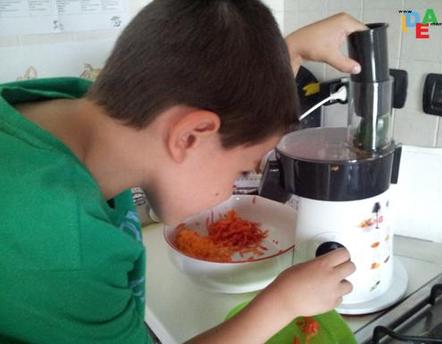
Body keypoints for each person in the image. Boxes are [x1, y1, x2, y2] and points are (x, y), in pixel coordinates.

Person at [0, 1, 365, 343]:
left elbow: (192, 91)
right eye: (241, 169)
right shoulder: (65, 250)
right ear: (190, 136)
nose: (232, 192)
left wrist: (289, 52)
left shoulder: (69, 112)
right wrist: (282, 304)